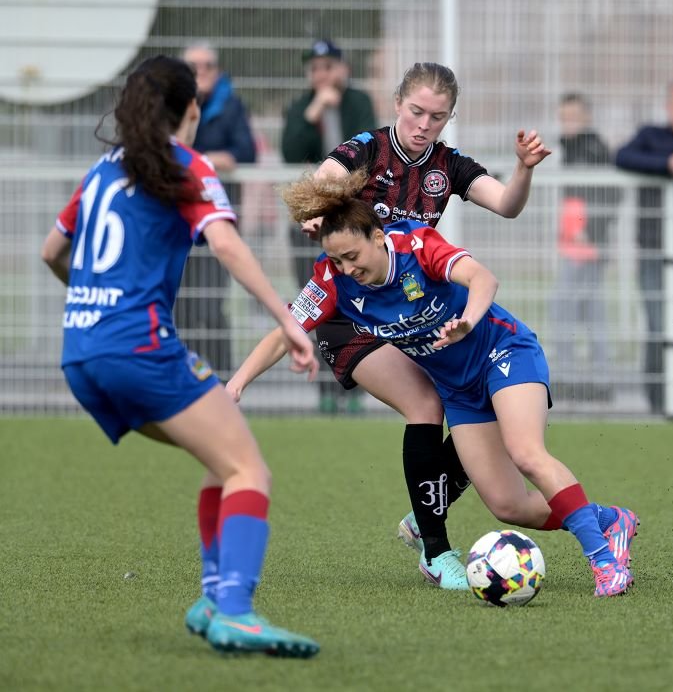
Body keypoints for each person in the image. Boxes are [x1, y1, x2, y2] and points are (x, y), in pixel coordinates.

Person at [229, 170, 640, 598]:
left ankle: (605, 564)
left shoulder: (416, 244)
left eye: (353, 255)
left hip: (503, 352)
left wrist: (467, 323)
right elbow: (285, 331)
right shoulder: (335, 281)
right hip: (457, 389)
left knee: (527, 453)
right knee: (508, 506)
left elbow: (484, 280)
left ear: (377, 235)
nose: (348, 268)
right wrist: (236, 384)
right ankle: (610, 521)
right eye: (337, 261)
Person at [40, 55, 319, 658]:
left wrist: (96, 300)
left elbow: (51, 251)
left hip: (81, 354)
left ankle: (214, 598)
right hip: (138, 351)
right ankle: (236, 610)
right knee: (250, 471)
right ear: (191, 111)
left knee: (223, 455)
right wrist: (286, 321)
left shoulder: (101, 171)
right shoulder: (186, 166)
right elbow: (225, 244)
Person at [281, 62, 551, 590]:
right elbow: (324, 182)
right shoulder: (367, 148)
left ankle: (433, 503)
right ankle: (435, 548)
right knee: (426, 405)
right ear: (397, 102)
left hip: (403, 306)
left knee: (473, 395)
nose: (424, 124)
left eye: (438, 116)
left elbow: (506, 205)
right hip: (347, 313)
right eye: (416, 111)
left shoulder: (448, 166)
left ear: (450, 118)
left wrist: (524, 171)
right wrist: (318, 207)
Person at [281, 38, 378, 414]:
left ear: (343, 68)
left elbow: (368, 151)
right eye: (315, 68)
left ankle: (355, 388)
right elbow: (291, 151)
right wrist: (315, 112)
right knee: (314, 302)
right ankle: (324, 388)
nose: (322, 74)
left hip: (352, 220)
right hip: (310, 222)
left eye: (328, 66)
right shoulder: (301, 106)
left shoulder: (359, 102)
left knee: (357, 302)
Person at [176, 41, 258, 378]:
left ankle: (222, 379)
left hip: (216, 218)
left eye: (208, 65)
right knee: (180, 303)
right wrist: (211, 160)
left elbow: (245, 152)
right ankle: (184, 375)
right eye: (194, 67)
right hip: (176, 219)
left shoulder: (230, 105)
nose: (202, 72)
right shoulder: (172, 104)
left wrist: (200, 161)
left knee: (210, 305)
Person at [615, 80, 673, 415]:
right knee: (660, 324)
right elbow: (623, 156)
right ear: (669, 106)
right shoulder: (651, 136)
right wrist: (670, 164)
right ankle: (661, 402)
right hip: (655, 250)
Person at [550, 93, 620, 401]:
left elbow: (611, 194)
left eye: (573, 117)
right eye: (563, 118)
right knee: (582, 310)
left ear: (587, 117)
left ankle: (586, 378)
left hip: (586, 245)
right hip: (575, 243)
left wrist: (590, 232)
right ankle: (593, 377)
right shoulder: (573, 147)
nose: (567, 124)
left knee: (573, 310)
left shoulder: (593, 148)